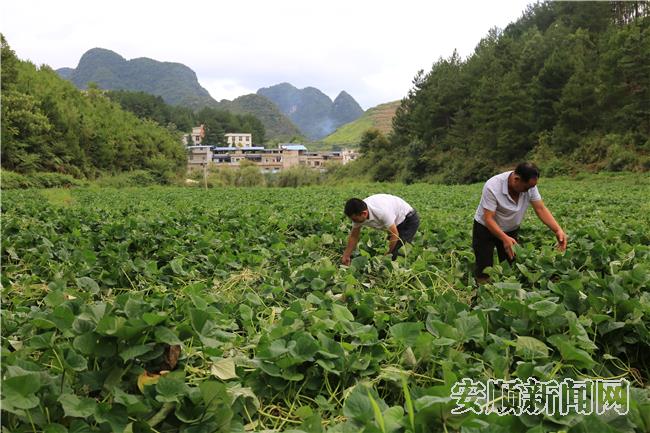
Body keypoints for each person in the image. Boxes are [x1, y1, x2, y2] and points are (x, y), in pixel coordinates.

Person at [472, 162, 567, 283]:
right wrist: (503, 238)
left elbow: (540, 208)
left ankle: (507, 292)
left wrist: (558, 230)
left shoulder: (530, 186)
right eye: (526, 188)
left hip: (510, 228)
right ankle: (482, 293)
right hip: (485, 228)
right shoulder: (493, 186)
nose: (528, 191)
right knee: (484, 266)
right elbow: (488, 218)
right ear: (516, 179)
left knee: (510, 264)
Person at [342, 194, 420, 265]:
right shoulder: (357, 214)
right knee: (391, 250)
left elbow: (394, 234)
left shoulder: (381, 212)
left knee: (396, 255)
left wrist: (386, 255)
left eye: (355, 220)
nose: (354, 222)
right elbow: (354, 236)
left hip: (408, 219)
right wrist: (346, 255)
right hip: (395, 222)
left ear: (364, 213)